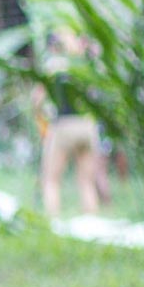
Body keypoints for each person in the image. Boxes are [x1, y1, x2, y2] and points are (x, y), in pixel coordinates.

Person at [36, 29, 108, 218]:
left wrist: (40, 116)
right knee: (86, 182)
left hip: (64, 126)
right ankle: (92, 220)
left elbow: (37, 98)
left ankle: (53, 221)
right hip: (87, 126)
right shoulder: (85, 64)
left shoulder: (53, 66)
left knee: (51, 180)